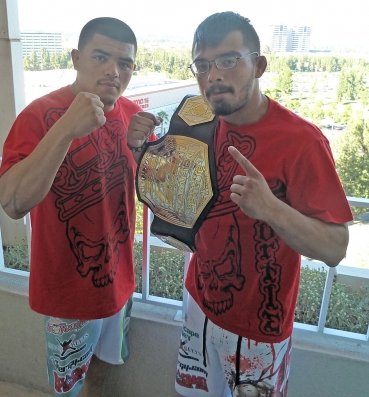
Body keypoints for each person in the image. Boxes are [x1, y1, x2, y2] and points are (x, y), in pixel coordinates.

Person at [127, 11, 352, 397]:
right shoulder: (195, 117)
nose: (213, 74)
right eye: (202, 64)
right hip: (198, 301)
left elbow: (335, 248)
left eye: (229, 60)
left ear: (259, 65)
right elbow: (173, 196)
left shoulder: (302, 141)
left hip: (259, 328)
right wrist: (139, 151)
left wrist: (272, 208)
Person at [0, 17, 156, 397]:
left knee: (102, 371)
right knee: (68, 388)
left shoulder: (133, 116)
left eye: (125, 63)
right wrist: (66, 127)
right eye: (100, 57)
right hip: (67, 292)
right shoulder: (39, 115)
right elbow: (12, 202)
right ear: (76, 58)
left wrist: (140, 149)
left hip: (118, 281)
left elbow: (149, 196)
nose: (112, 71)